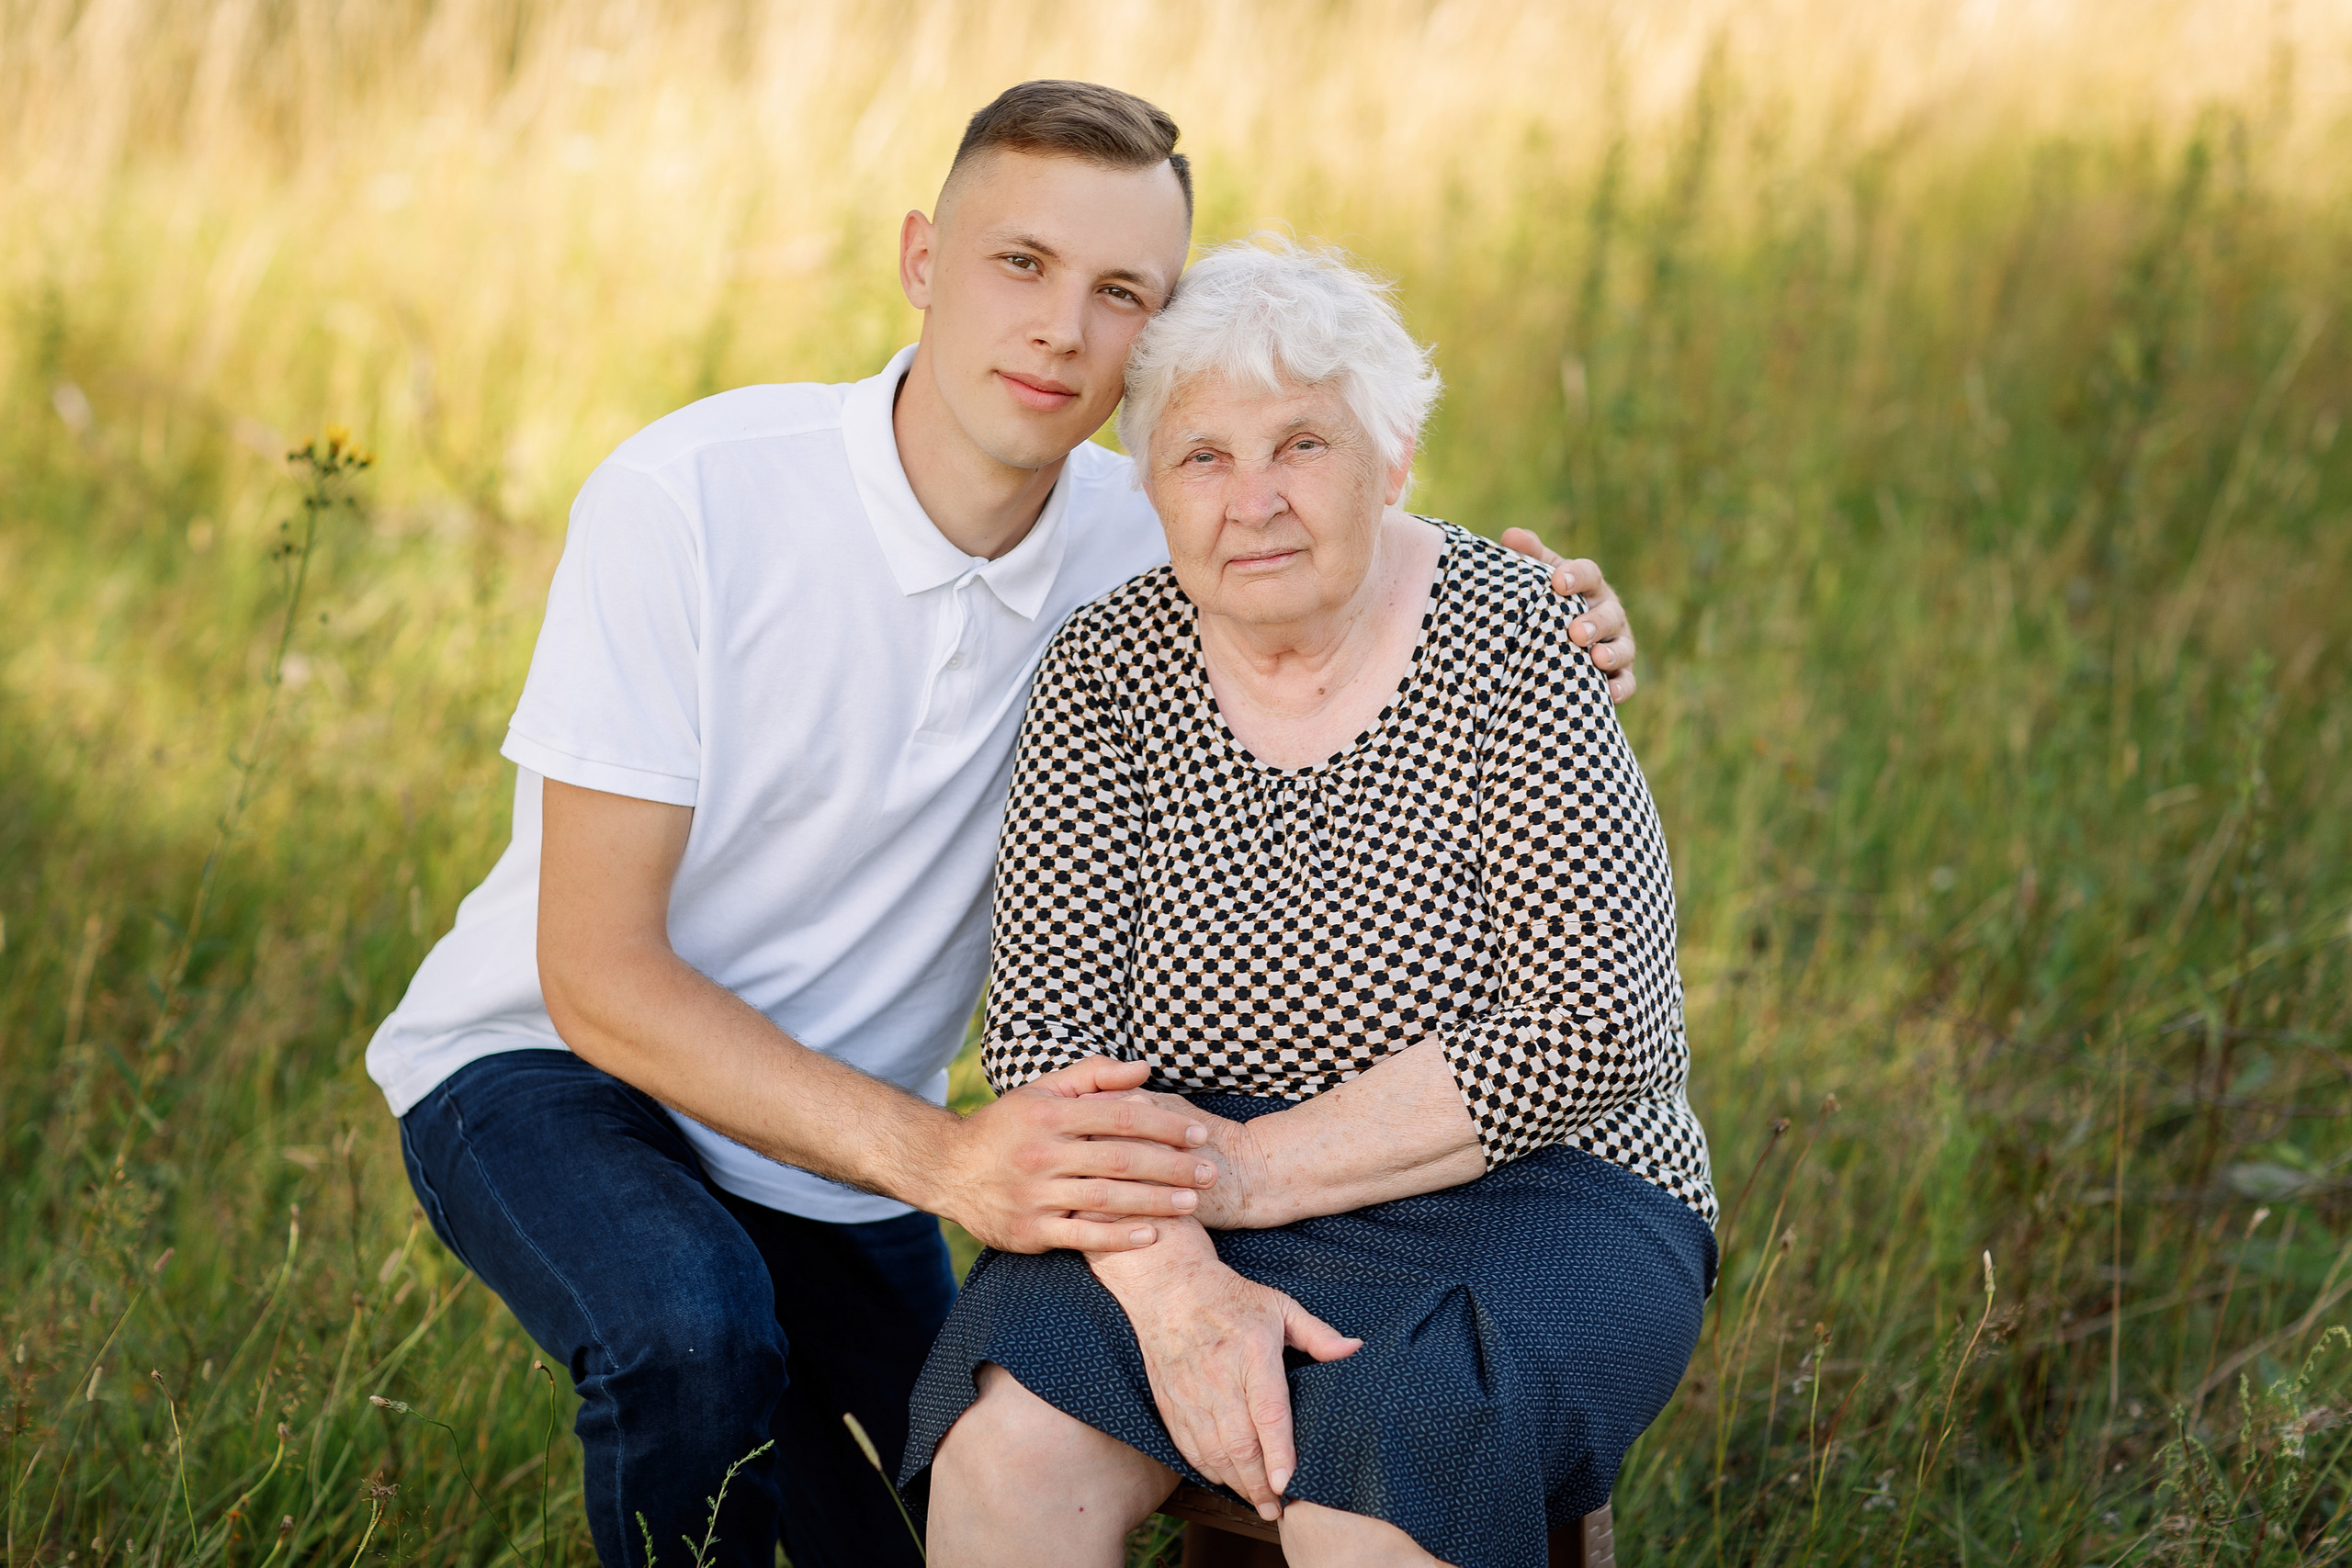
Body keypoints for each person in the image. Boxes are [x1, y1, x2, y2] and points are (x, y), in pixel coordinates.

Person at [366, 83, 1643, 1568]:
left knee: (958, 1491)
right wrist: (951, 1164)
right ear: (921, 259)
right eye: (1017, 264)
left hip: (836, 1139)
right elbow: (596, 974)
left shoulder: (1154, 528)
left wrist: (1568, 614)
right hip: (559, 1067)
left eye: (1121, 294)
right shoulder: (693, 500)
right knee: (691, 1334)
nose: (1059, 330)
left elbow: (1352, 517)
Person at [902, 238, 1715, 1568]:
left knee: (1381, 1483)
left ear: (1392, 463)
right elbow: (1048, 1050)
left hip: (1532, 1190)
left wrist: (1242, 1174)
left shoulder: (1516, 640)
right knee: (1009, 1455)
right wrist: (1175, 1289)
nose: (1254, 501)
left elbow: (1593, 1031)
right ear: (1152, 490)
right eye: (1203, 457)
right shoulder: (1108, 672)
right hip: (1171, 1208)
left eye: (1304, 447)